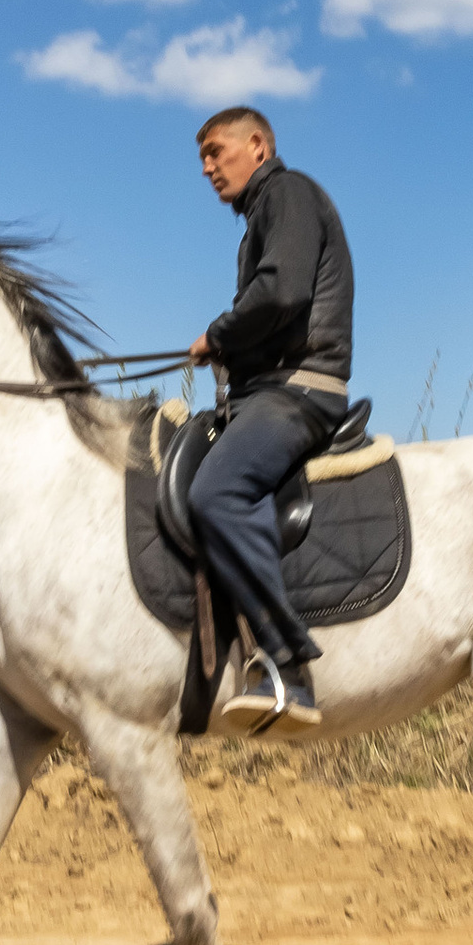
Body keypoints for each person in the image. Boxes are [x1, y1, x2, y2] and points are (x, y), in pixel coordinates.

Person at [187, 106, 355, 733]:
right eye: (202, 158)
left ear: (257, 146)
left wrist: (219, 334)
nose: (207, 168)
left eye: (215, 151)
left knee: (218, 491)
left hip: (298, 392)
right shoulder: (266, 212)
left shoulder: (287, 193)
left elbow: (283, 294)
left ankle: (287, 662)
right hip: (269, 389)